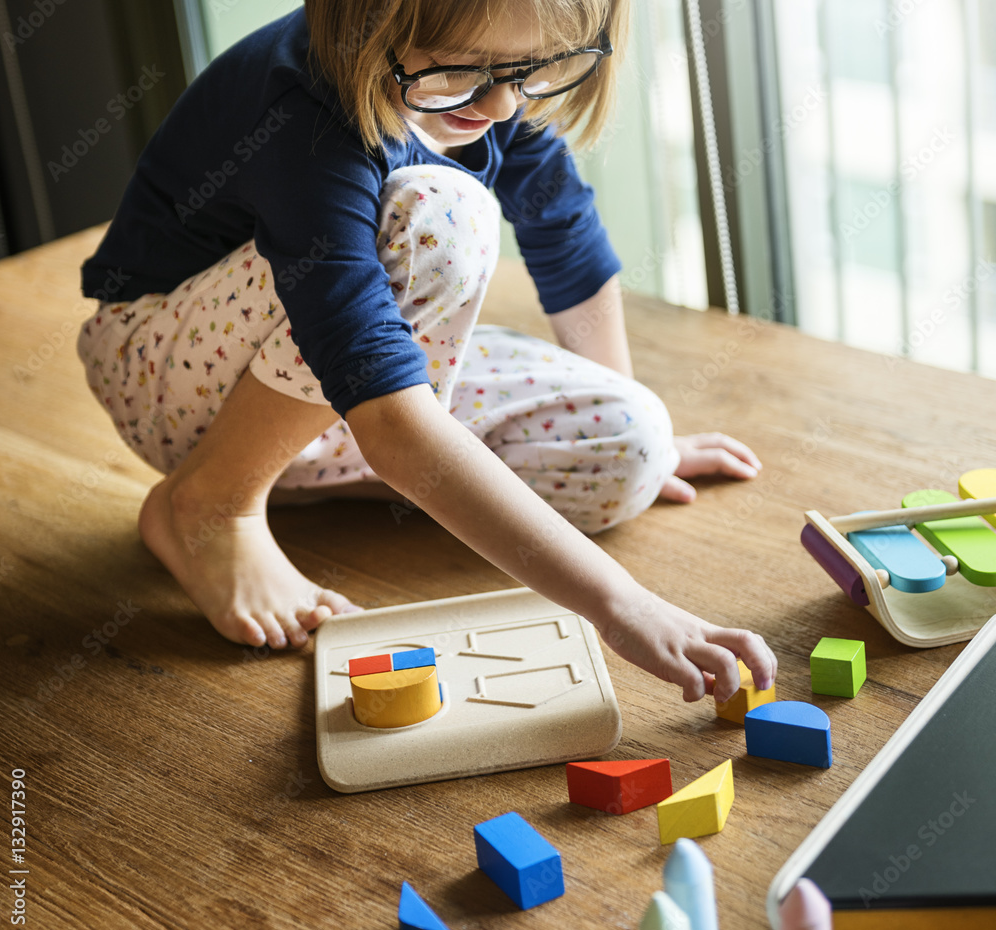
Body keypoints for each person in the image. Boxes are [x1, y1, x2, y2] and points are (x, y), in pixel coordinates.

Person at [78, 0, 776, 703]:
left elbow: (564, 235)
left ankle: (352, 478)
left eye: (532, 70)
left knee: (635, 444)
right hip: (167, 371)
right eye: (467, 69)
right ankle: (213, 501)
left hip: (331, 371)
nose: (503, 104)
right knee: (441, 218)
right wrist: (620, 605)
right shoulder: (306, 111)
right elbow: (388, 420)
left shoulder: (496, 72)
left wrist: (631, 401)